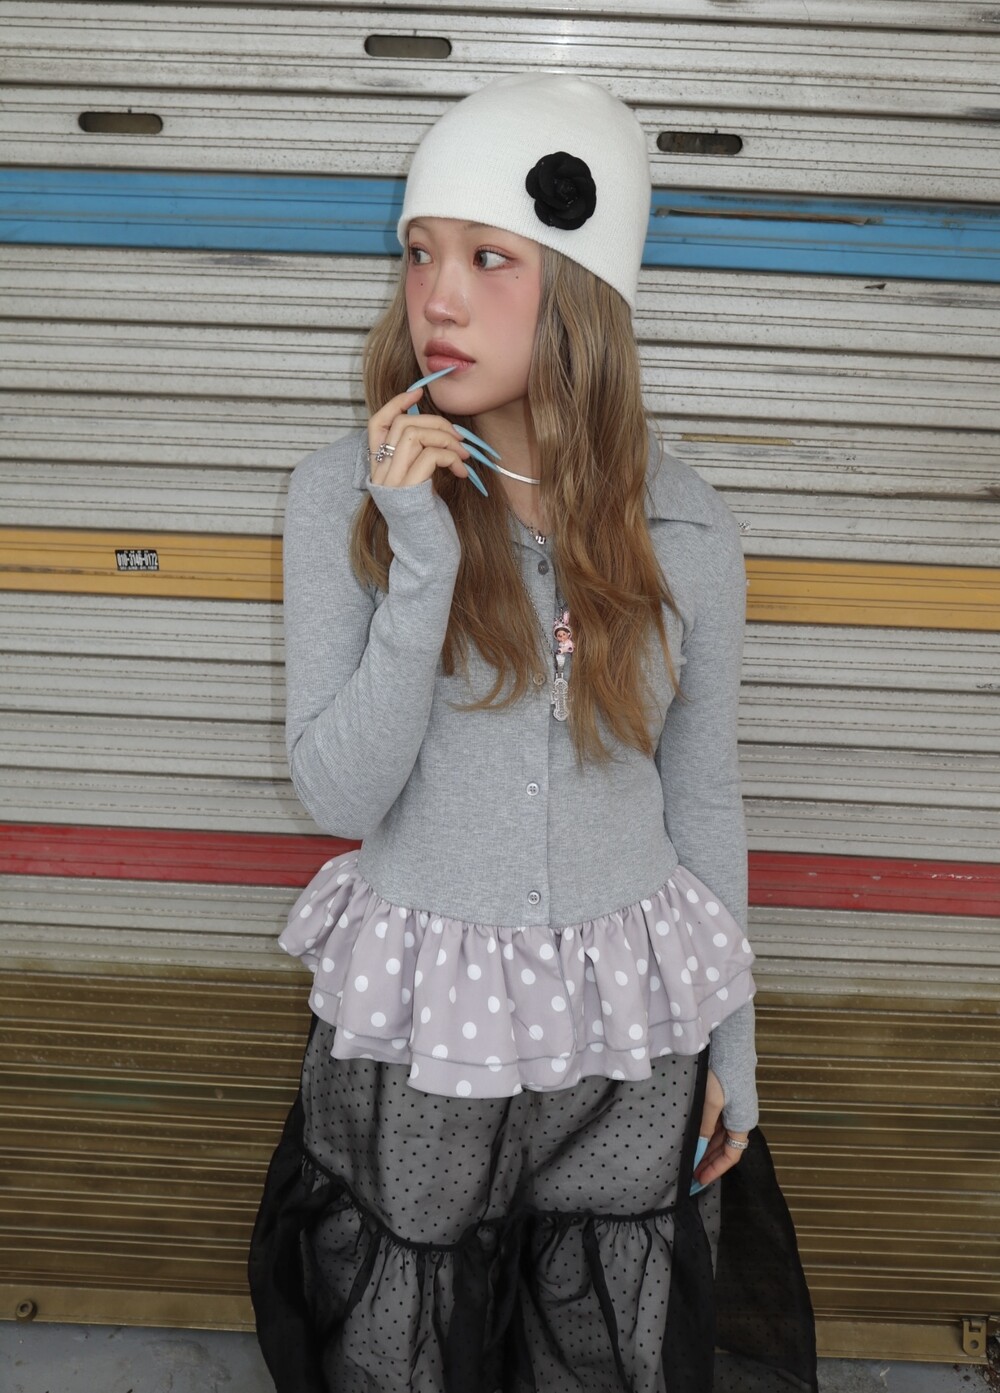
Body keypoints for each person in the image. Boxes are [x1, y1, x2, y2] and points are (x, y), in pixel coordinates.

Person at [249, 72, 818, 1393]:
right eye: (419, 252)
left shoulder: (687, 525)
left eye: (487, 257)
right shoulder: (344, 495)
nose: (436, 297)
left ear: (582, 290)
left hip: (632, 1025)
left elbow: (704, 796)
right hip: (428, 1019)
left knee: (604, 1341)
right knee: (396, 1336)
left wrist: (735, 1050)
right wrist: (423, 563)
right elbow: (338, 793)